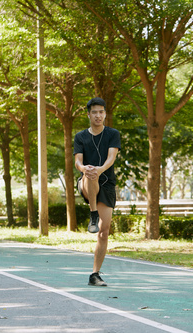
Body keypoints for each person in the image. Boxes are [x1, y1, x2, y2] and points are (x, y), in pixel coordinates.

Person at [73, 97, 121, 287]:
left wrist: (99, 169)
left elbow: (111, 158)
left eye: (101, 112)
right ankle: (93, 213)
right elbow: (78, 161)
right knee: (90, 173)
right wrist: (85, 169)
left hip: (107, 183)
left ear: (105, 114)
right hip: (86, 180)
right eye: (94, 112)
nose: (98, 115)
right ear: (89, 115)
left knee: (104, 232)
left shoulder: (112, 134)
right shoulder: (80, 137)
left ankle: (94, 274)